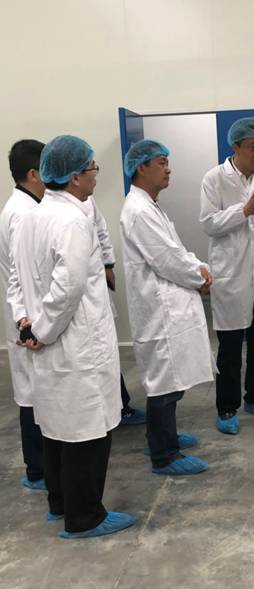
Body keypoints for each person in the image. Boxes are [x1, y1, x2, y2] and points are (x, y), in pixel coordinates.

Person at [8, 134, 136, 538]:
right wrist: (43, 331)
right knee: (86, 432)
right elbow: (68, 289)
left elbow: (16, 278)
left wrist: (27, 323)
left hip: (47, 343)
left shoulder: (35, 215)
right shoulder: (72, 221)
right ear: (75, 176)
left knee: (56, 429)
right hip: (75, 344)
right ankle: (84, 518)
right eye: (93, 168)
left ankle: (60, 503)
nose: (96, 175)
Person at [120, 139, 213, 474]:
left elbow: (176, 249)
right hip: (159, 310)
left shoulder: (150, 205)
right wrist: (199, 276)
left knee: (172, 380)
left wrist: (199, 267)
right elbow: (166, 259)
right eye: (161, 163)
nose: (168, 169)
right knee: (164, 382)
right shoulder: (139, 210)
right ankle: (164, 454)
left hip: (170, 305)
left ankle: (163, 436)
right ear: (141, 167)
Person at [200, 117, 254, 435]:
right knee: (230, 348)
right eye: (252, 146)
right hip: (231, 274)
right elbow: (209, 223)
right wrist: (243, 211)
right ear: (236, 147)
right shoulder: (215, 178)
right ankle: (226, 407)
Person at [0, 140, 46, 490]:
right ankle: (38, 471)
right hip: (27, 322)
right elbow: (20, 274)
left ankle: (40, 468)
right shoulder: (23, 213)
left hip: (27, 317)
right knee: (33, 395)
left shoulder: (26, 206)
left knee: (33, 393)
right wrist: (27, 324)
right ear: (33, 173)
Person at [82, 196, 145, 426]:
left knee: (106, 351)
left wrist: (108, 263)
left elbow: (101, 231)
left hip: (93, 287)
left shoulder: (87, 200)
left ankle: (121, 407)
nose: (94, 179)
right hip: (74, 299)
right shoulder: (37, 211)